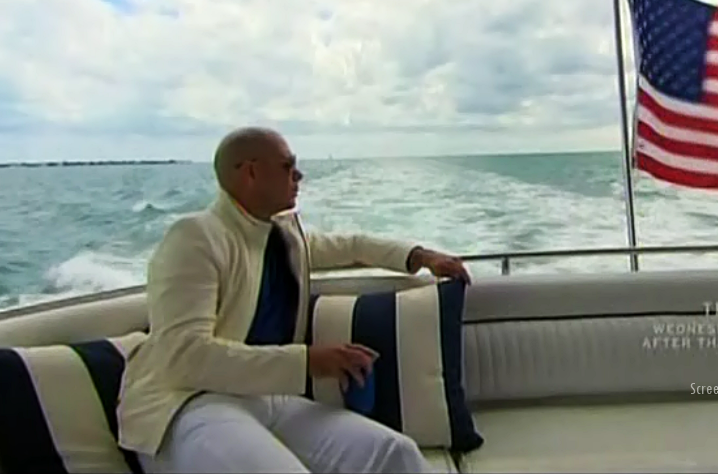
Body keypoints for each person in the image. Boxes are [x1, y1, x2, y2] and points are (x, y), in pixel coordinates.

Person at [116, 126, 472, 473]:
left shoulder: (281, 235)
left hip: (267, 396)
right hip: (188, 402)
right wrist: (308, 362)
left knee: (394, 453)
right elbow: (184, 358)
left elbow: (351, 246)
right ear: (251, 173)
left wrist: (421, 256)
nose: (298, 176)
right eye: (288, 166)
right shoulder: (196, 237)